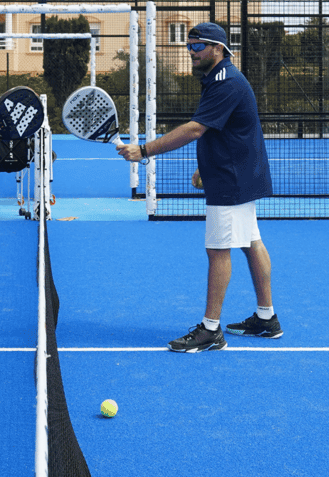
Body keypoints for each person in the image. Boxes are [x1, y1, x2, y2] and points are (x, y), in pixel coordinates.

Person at [116, 21, 280, 352]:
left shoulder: (225, 82)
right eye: (189, 46)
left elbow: (195, 129)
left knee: (218, 250)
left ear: (219, 48)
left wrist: (144, 150)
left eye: (198, 46)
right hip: (238, 173)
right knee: (251, 241)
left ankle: (211, 330)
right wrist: (206, 165)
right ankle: (267, 318)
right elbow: (221, 129)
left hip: (232, 179)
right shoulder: (219, 78)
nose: (191, 52)